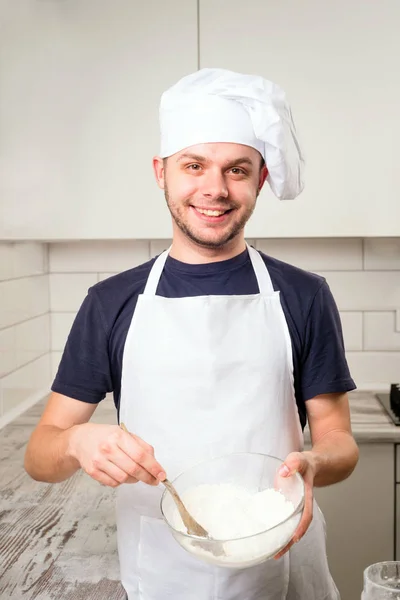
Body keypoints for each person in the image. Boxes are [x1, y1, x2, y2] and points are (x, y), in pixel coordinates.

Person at [24, 68, 359, 600]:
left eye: (237, 169)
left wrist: (312, 464)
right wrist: (77, 440)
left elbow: (339, 441)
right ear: (161, 172)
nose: (215, 189)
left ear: (260, 178)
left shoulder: (304, 295)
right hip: (161, 570)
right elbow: (40, 455)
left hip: (282, 556)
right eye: (193, 165)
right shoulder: (110, 302)